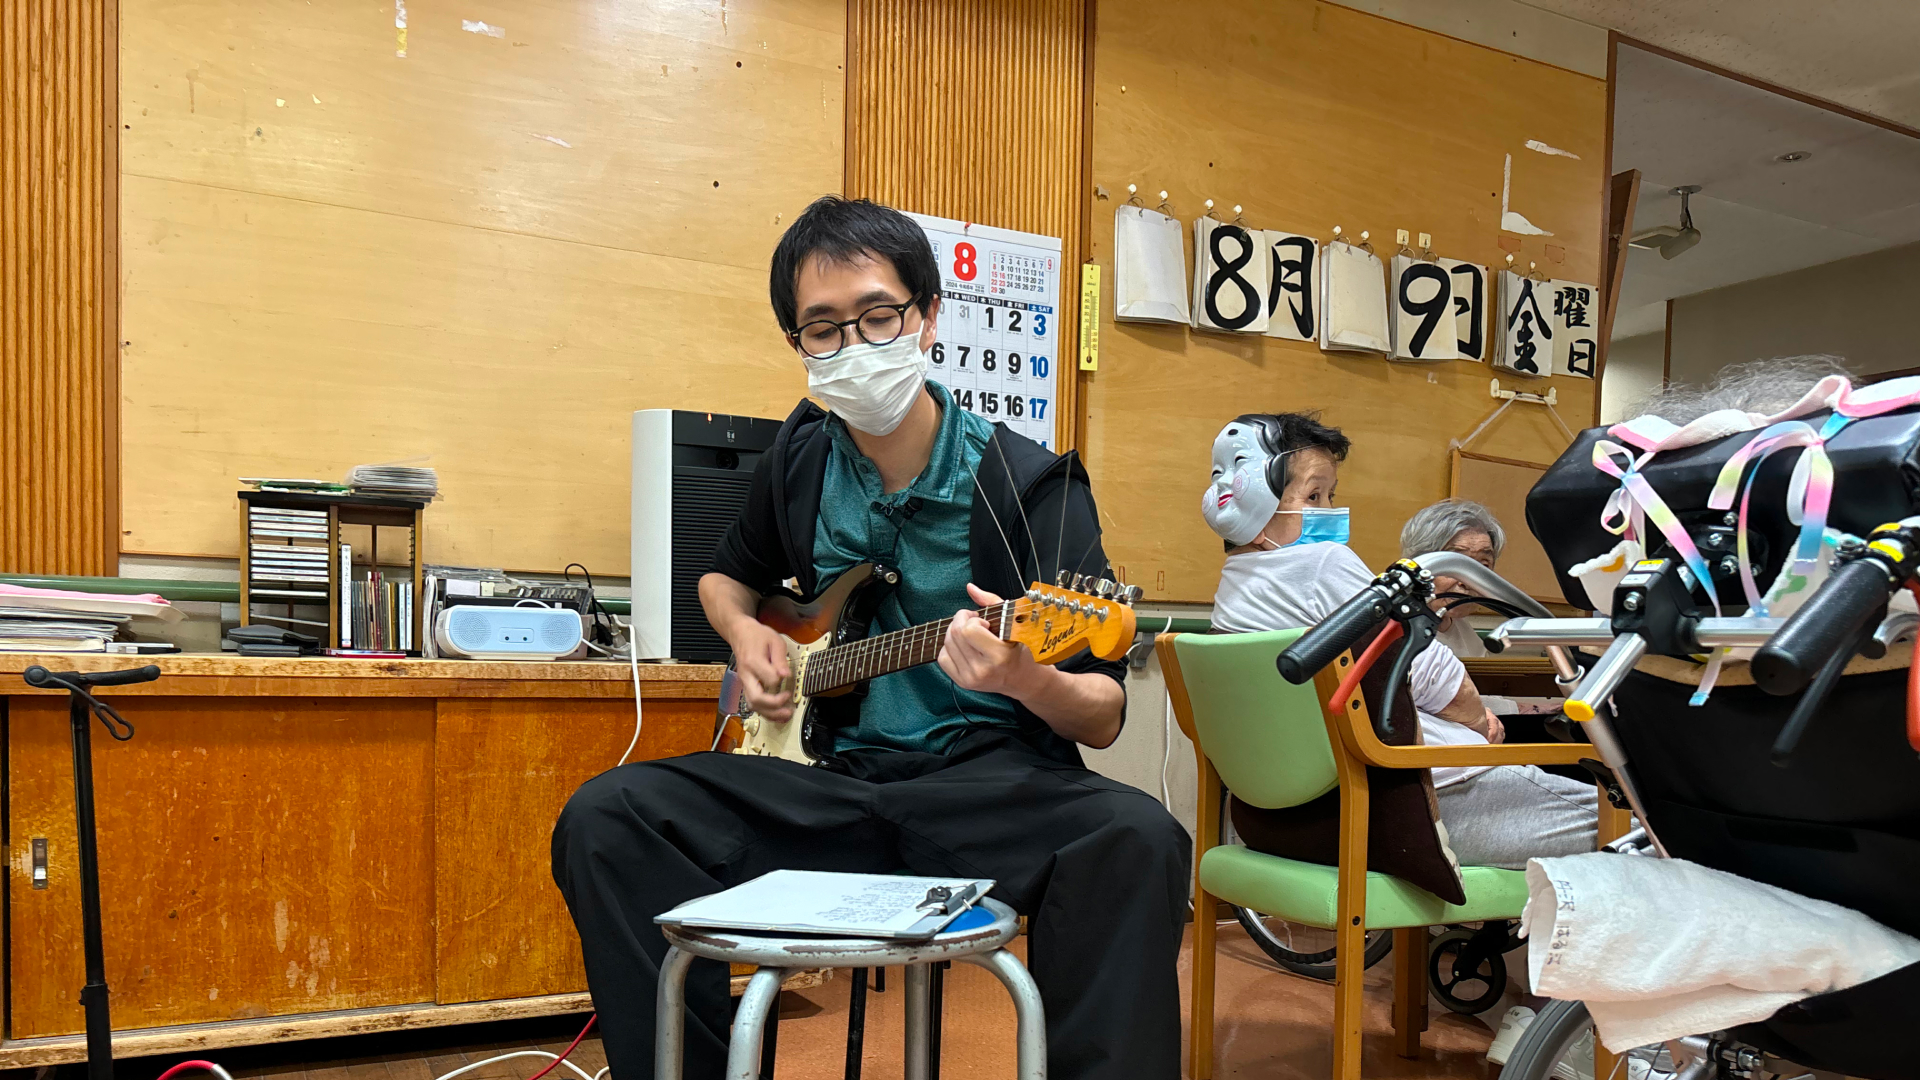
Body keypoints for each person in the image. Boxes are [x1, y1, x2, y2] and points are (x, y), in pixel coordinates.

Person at [551, 196, 1190, 1080]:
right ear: (797, 344)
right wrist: (746, 635)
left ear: (927, 316)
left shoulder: (1028, 481)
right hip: (828, 787)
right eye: (822, 329)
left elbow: (1104, 714)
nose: (852, 345)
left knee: (1138, 838)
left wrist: (1023, 680)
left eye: (877, 315)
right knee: (607, 817)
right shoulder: (804, 455)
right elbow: (723, 578)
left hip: (988, 792)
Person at [1202, 411, 1598, 871]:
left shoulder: (1232, 592)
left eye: (1330, 495)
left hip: (1295, 822)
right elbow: (1427, 669)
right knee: (1635, 825)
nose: (1328, 510)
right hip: (1420, 811)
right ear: (1254, 496)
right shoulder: (1322, 562)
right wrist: (1479, 721)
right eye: (1313, 495)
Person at [1398, 498, 1506, 659]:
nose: (1468, 581)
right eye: (1454, 565)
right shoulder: (1393, 631)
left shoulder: (1469, 638)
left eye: (1483, 566)